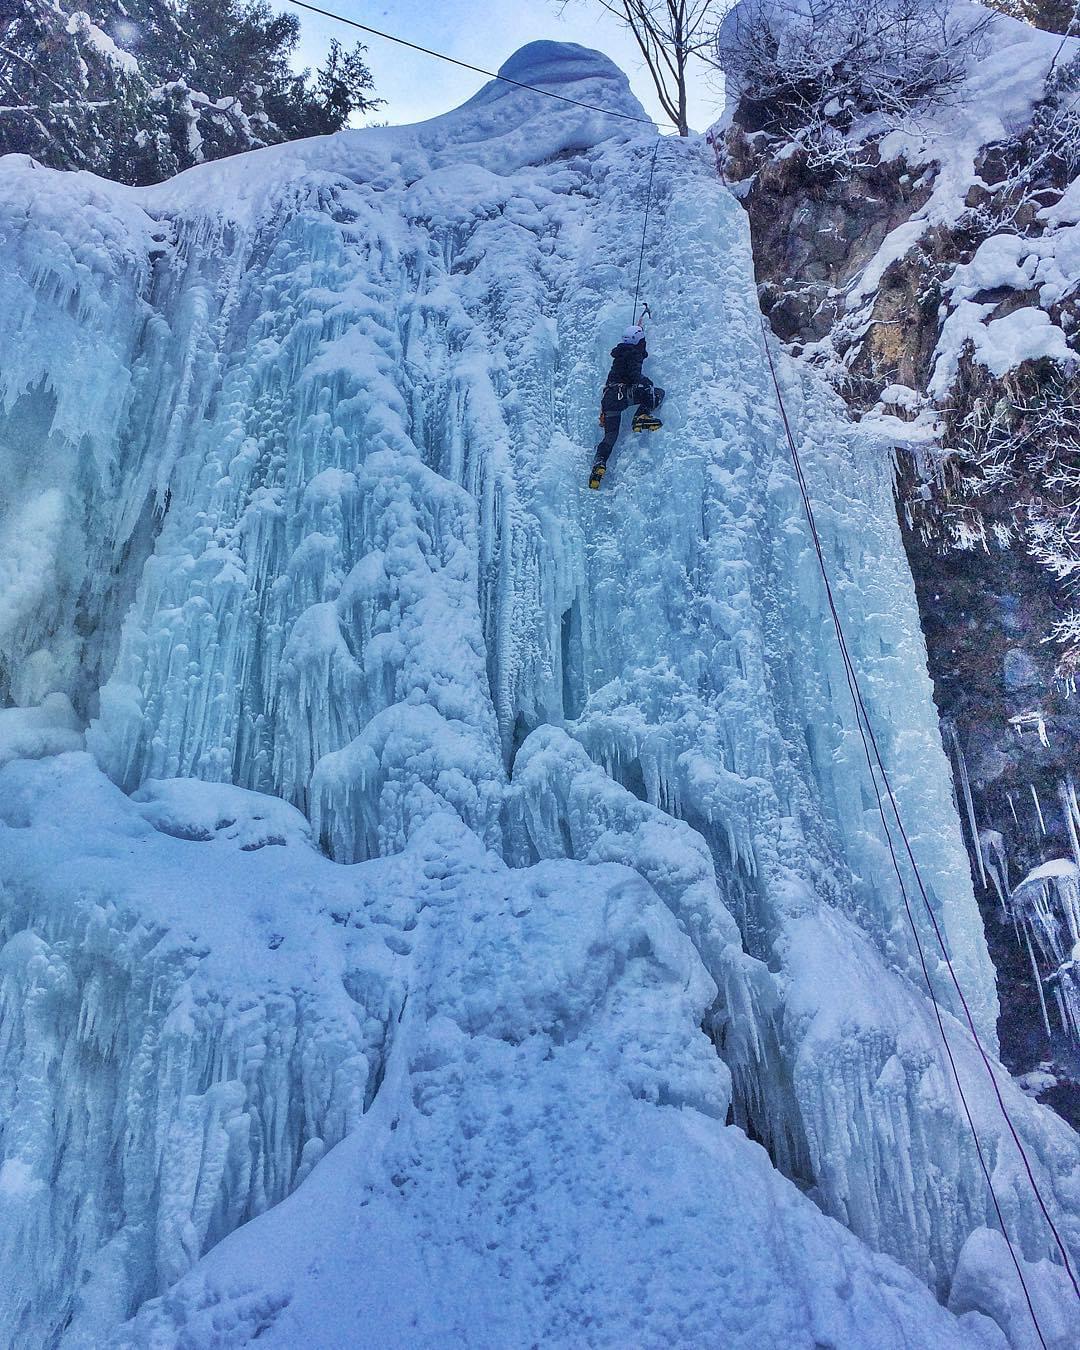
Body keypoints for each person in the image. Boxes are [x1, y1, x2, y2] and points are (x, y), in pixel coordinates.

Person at [589, 324, 664, 489]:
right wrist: (645, 381)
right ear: (638, 342)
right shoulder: (633, 354)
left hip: (609, 398)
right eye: (642, 341)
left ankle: (599, 463)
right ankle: (641, 417)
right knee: (655, 391)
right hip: (621, 393)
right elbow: (634, 375)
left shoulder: (620, 356)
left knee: (610, 436)